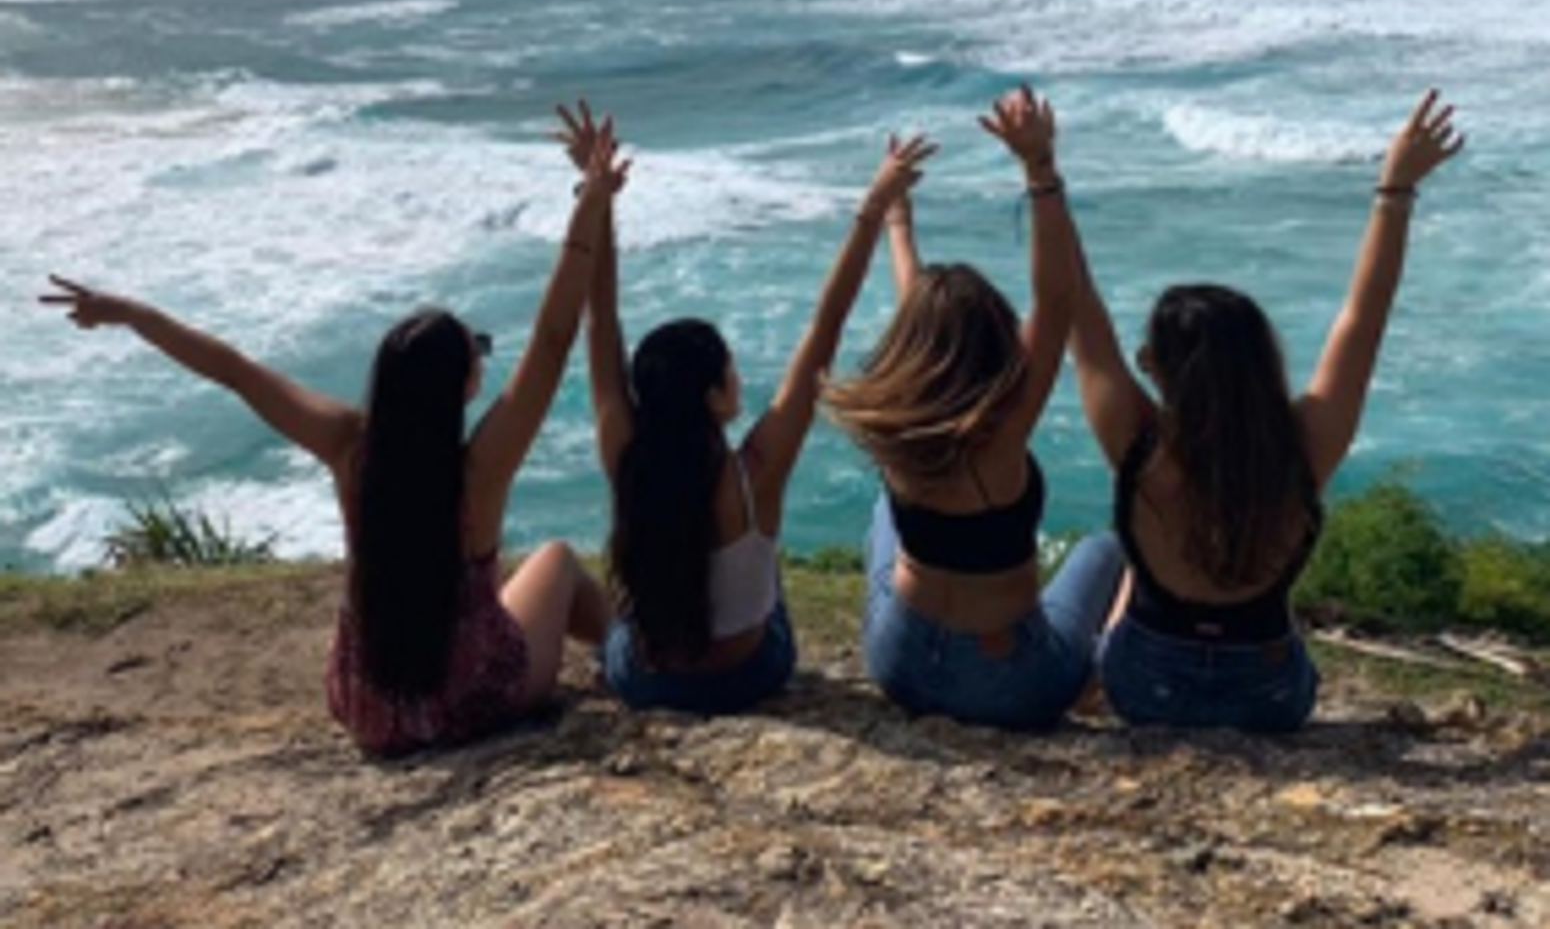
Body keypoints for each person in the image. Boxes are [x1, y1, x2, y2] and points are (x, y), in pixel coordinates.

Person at [39, 120, 629, 758]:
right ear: (461, 387)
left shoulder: (349, 447)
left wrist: (132, 314)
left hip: (372, 710)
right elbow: (552, 339)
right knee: (558, 563)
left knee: (504, 595)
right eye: (477, 352)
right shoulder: (480, 471)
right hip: (471, 702)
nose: (483, 361)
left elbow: (235, 371)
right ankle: (632, 663)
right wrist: (592, 200)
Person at [1068, 90, 1465, 732]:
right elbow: (1363, 319)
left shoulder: (1140, 446)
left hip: (1145, 688)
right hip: (1268, 696)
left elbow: (1077, 308)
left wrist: (1042, 177)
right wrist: (1394, 191)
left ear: (1158, 367)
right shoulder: (1302, 445)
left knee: (1107, 550)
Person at [557, 100, 934, 714]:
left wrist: (596, 201)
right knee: (762, 569)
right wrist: (878, 207)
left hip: (647, 679)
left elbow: (601, 322)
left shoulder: (625, 452)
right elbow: (826, 326)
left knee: (632, 589)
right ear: (713, 395)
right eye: (729, 369)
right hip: (746, 676)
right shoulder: (756, 471)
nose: (738, 376)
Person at [826, 87, 1125, 731]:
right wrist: (1040, 171)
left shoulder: (901, 427)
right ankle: (1108, 671)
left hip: (901, 663)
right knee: (1106, 549)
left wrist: (896, 220)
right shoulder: (1005, 432)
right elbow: (1058, 298)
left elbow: (920, 324)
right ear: (998, 343)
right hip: (1011, 683)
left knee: (884, 514)